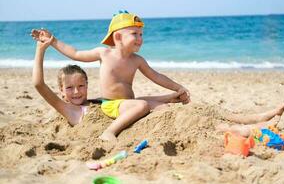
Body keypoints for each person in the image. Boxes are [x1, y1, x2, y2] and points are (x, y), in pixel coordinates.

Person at [31, 13, 186, 141]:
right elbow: (75, 54)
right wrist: (53, 41)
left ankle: (171, 97)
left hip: (126, 103)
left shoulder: (137, 60)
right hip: (110, 105)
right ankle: (109, 132)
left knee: (161, 107)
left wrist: (177, 87)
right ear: (118, 37)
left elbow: (156, 76)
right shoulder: (103, 54)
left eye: (141, 34)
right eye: (134, 34)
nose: (140, 38)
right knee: (142, 105)